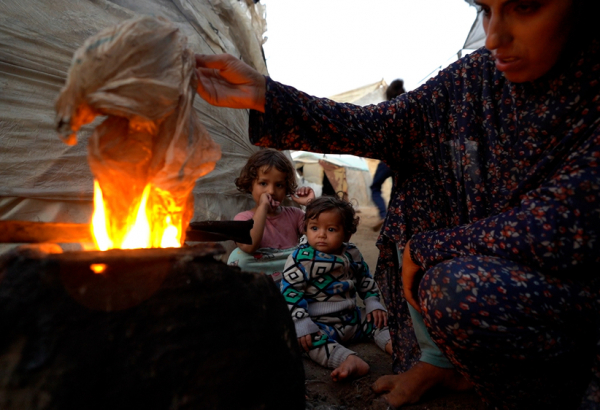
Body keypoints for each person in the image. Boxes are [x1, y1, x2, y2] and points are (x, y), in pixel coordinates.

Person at [194, 0, 600, 407]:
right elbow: (383, 126)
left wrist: (425, 248)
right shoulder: (475, 78)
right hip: (485, 254)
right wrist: (267, 95)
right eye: (487, 10)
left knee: (455, 291)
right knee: (421, 171)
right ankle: (439, 360)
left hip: (569, 291)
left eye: (525, 7)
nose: (493, 37)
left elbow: (560, 226)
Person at [281, 196, 393, 382]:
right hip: (319, 323)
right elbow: (290, 292)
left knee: (379, 319)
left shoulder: (352, 252)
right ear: (306, 228)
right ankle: (348, 359)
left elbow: (364, 278)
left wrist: (373, 302)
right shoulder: (300, 258)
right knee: (303, 340)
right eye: (314, 228)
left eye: (331, 229)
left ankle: (394, 346)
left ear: (347, 234)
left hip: (353, 317)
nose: (321, 234)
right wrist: (301, 322)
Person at [227, 149, 314, 283]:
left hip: (290, 275)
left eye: (279, 185)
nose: (271, 191)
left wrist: (310, 205)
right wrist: (263, 207)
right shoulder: (243, 219)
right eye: (263, 183)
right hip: (260, 276)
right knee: (238, 257)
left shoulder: (295, 215)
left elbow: (318, 234)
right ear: (251, 185)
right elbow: (250, 247)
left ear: (286, 189)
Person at [370, 79, 406, 231]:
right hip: (405, 159)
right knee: (397, 189)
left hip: (388, 159)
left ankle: (385, 215)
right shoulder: (409, 110)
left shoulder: (384, 112)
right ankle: (394, 218)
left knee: (375, 187)